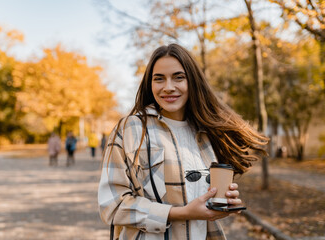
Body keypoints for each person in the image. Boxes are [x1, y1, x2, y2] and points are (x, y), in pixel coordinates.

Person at [98, 44, 268, 239]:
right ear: (149, 84)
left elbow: (201, 203)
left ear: (193, 82)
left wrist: (223, 201)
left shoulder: (206, 133)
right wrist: (182, 213)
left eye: (178, 77)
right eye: (159, 79)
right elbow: (111, 205)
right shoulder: (131, 129)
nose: (168, 87)